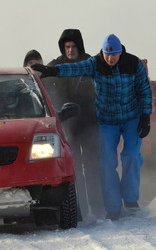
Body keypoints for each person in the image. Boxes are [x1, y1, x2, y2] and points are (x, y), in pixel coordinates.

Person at [32, 34, 152, 220]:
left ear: (121, 53)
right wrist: (51, 70)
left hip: (131, 117)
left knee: (131, 156)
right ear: (102, 53)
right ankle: (113, 207)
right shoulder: (95, 64)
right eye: (107, 55)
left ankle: (130, 199)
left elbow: (144, 91)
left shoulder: (133, 64)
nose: (110, 59)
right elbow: (74, 68)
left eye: (114, 55)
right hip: (106, 121)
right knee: (106, 162)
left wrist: (145, 116)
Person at [42, 29, 103, 219]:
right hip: (67, 124)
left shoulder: (91, 63)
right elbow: (42, 88)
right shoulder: (55, 66)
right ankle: (79, 211)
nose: (70, 50)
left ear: (80, 46)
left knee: (93, 167)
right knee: (73, 169)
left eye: (73, 46)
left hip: (90, 122)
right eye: (67, 47)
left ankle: (99, 208)